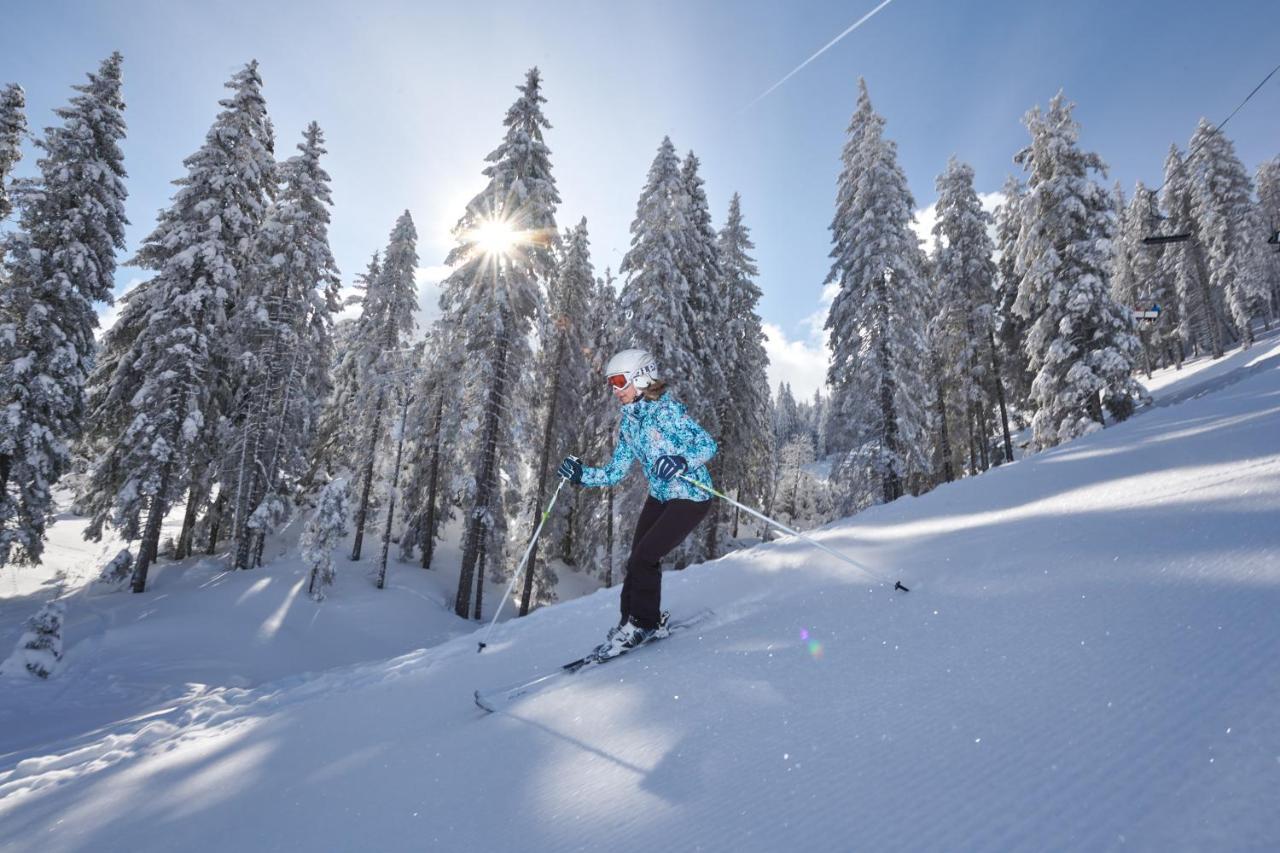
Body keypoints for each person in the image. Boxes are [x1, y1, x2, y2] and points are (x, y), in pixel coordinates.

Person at [557, 348, 718, 658]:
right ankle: (631, 623)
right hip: (660, 496)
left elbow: (706, 444)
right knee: (636, 560)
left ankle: (642, 624)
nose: (615, 390)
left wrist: (682, 461)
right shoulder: (630, 422)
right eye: (611, 383)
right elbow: (615, 471)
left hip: (690, 496)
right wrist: (580, 475)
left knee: (646, 556)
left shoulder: (667, 411)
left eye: (620, 381)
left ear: (641, 378)